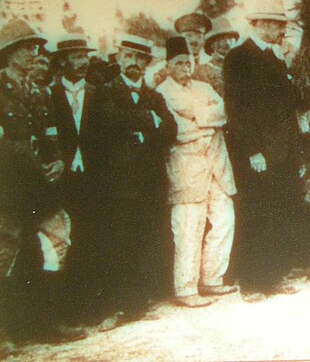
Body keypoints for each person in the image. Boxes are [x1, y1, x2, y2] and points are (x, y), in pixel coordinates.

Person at [0, 19, 85, 343]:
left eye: (36, 47)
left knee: (56, 242)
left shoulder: (39, 92)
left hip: (40, 188)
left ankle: (51, 324)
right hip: (9, 187)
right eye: (26, 48)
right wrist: (38, 165)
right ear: (9, 53)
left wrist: (59, 161)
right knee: (4, 255)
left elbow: (49, 134)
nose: (34, 53)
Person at [89, 34, 177, 330]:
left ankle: (140, 301)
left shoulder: (155, 95)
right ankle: (120, 305)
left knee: (145, 239)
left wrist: (142, 127)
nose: (134, 64)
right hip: (119, 183)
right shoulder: (105, 92)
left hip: (149, 181)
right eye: (129, 57)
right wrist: (147, 122)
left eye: (141, 59)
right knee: (119, 242)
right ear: (119, 58)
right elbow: (109, 122)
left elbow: (171, 129)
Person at [223, 0, 307, 297]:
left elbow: (287, 107)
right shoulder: (239, 57)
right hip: (258, 153)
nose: (281, 29)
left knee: (279, 213)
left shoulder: (275, 58)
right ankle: (251, 282)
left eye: (282, 24)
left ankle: (273, 276)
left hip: (282, 150)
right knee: (256, 214)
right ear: (258, 24)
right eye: (275, 24)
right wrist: (252, 150)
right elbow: (237, 110)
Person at [156, 36, 237, 308]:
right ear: (167, 65)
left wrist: (195, 116)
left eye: (188, 61)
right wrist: (207, 122)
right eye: (179, 62)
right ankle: (186, 288)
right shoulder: (162, 92)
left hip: (216, 163)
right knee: (189, 226)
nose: (185, 67)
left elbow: (224, 113)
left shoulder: (203, 86)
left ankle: (212, 279)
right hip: (187, 167)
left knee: (225, 219)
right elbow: (177, 130)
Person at [49, 34, 102, 322]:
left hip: (94, 177)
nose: (82, 62)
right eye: (75, 57)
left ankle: (91, 307)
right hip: (64, 179)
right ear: (62, 62)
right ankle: (69, 309)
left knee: (92, 238)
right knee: (67, 238)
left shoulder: (97, 92)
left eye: (85, 56)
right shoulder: (51, 94)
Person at [194, 17, 240, 96]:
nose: (227, 43)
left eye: (230, 39)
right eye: (222, 40)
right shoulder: (202, 71)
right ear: (212, 44)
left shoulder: (239, 67)